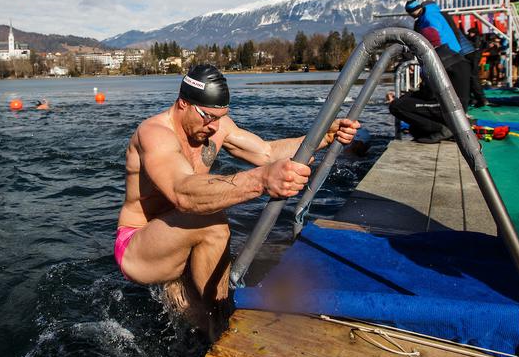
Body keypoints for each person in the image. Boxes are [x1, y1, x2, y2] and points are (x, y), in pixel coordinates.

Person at [115, 64, 359, 330]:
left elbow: (267, 153)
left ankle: (203, 330)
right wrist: (262, 180)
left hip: (178, 236)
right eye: (208, 117)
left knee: (194, 327)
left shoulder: (216, 126)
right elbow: (182, 192)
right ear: (183, 103)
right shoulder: (155, 134)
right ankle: (224, 319)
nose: (214, 127)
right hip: (139, 245)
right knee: (212, 224)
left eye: (221, 117)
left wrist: (325, 137)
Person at [388, 0, 471, 144]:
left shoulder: (436, 63)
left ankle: (442, 129)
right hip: (458, 107)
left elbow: (428, 94)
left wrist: (401, 98)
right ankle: (444, 126)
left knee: (397, 106)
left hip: (445, 108)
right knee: (415, 129)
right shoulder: (455, 56)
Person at [466, 27, 488, 107]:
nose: (469, 34)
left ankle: (479, 99)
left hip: (473, 62)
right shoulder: (478, 40)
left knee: (474, 79)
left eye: (470, 33)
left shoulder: (475, 40)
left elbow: (475, 50)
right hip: (474, 61)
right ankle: (479, 99)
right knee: (474, 80)